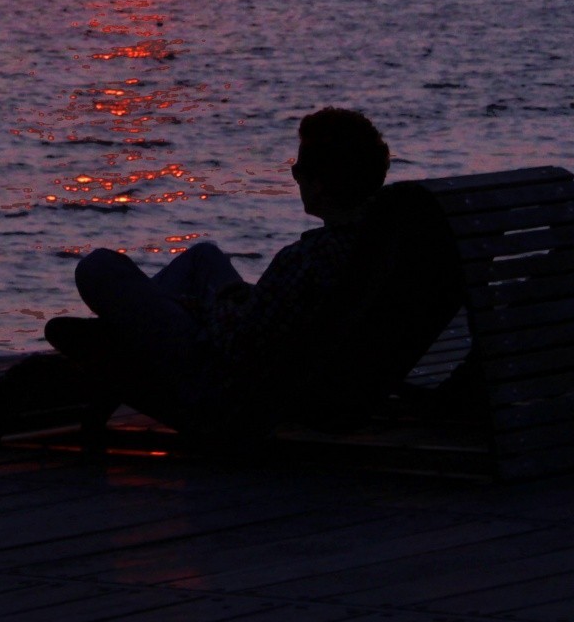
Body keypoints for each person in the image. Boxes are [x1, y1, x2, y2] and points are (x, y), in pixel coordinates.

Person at [44, 107, 390, 441]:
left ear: (320, 184)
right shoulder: (372, 246)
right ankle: (129, 324)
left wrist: (208, 306)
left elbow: (238, 344)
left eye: (299, 171)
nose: (295, 178)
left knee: (99, 268)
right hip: (267, 359)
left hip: (221, 384)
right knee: (204, 257)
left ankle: (122, 330)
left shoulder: (310, 258)